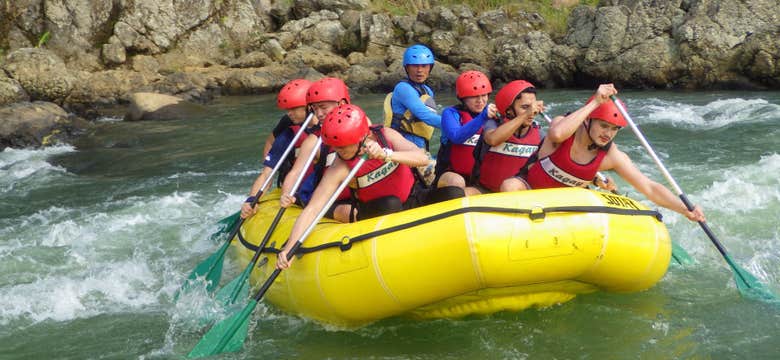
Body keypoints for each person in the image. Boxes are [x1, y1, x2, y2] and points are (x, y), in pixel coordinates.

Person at [502, 84, 705, 222]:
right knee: (509, 186)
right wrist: (595, 103)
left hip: (566, 207)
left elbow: (650, 188)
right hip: (531, 191)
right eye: (603, 126)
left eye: (614, 129)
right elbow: (556, 134)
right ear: (589, 120)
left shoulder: (611, 156)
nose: (608, 134)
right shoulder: (564, 128)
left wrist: (685, 209)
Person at [276, 104, 428, 269]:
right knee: (391, 203)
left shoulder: (387, 135)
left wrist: (386, 155)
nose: (338, 150)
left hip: (412, 196)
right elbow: (313, 208)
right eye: (335, 146)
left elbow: (422, 158)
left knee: (453, 191)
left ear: (362, 137)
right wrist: (290, 247)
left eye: (343, 146)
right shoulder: (340, 166)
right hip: (375, 210)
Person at [278, 77, 355, 222]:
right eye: (315, 109)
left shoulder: (363, 125)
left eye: (323, 107)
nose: (318, 114)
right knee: (350, 212)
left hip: (355, 192)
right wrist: (286, 193)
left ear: (342, 103)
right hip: (325, 199)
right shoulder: (313, 141)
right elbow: (296, 172)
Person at [240, 78, 312, 219]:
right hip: (295, 182)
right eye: (287, 109)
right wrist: (251, 200)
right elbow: (267, 173)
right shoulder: (287, 131)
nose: (289, 113)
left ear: (309, 106)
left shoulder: (330, 126)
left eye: (293, 108)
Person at [470, 80, 544, 193]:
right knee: (463, 193)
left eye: (532, 107)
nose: (531, 112)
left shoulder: (540, 133)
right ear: (509, 110)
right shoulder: (492, 124)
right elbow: (493, 139)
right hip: (484, 191)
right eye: (525, 107)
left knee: (511, 187)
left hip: (516, 193)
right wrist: (525, 115)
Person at [434, 70, 497, 197]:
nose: (480, 101)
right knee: (457, 182)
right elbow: (456, 137)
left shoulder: (494, 115)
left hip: (480, 179)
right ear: (463, 98)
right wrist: (482, 117)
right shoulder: (451, 113)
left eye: (483, 95)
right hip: (451, 174)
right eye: (474, 96)